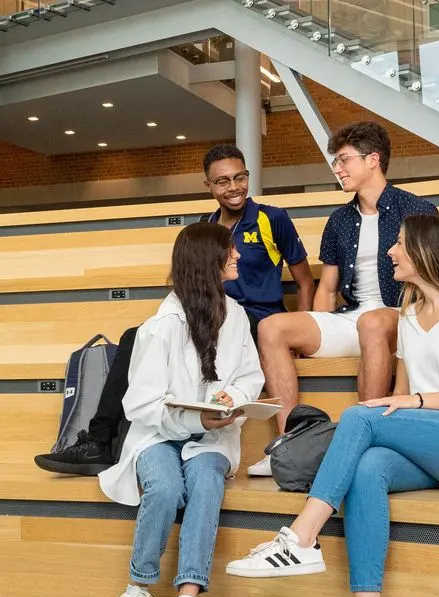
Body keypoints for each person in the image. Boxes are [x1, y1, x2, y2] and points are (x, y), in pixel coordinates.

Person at [226, 214, 439, 597]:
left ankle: (302, 537)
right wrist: (401, 401)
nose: (391, 252)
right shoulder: (410, 311)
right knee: (366, 468)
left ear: (425, 251)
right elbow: (399, 390)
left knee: (362, 415)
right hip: (429, 442)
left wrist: (412, 401)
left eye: (399, 245)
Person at [34, 144, 313, 476]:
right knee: (133, 337)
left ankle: (115, 439)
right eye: (222, 181)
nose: (233, 186)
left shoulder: (272, 218)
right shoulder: (205, 224)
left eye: (240, 177)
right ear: (207, 185)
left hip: (252, 319)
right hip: (209, 313)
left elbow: (305, 282)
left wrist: (294, 335)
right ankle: (100, 440)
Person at [100, 222, 264, 597]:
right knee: (166, 487)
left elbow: (251, 375)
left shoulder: (238, 316)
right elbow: (140, 406)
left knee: (207, 482)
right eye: (230, 252)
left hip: (211, 439)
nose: (238, 257)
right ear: (206, 262)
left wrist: (234, 396)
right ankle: (137, 588)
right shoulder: (161, 326)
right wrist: (197, 421)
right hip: (157, 436)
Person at [247, 121, 438, 477]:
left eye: (344, 160)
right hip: (353, 317)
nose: (337, 169)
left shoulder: (417, 210)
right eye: (336, 161)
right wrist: (314, 330)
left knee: (372, 321)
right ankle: (290, 446)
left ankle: (366, 436)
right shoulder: (339, 220)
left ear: (373, 160)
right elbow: (328, 289)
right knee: (272, 326)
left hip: (400, 315)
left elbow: (431, 280)